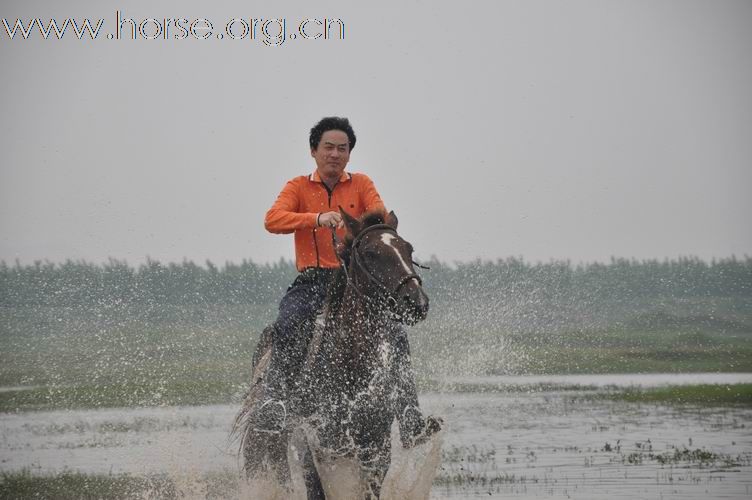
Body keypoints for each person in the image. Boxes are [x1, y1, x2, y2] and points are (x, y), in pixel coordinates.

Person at [258, 116, 439, 447]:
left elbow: (380, 215)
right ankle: (274, 403)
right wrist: (316, 218)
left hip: (356, 280)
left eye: (343, 148)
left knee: (396, 333)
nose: (335, 154)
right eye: (328, 147)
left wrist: (364, 226)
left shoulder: (362, 183)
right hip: (314, 279)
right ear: (314, 151)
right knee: (288, 322)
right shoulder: (297, 187)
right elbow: (272, 220)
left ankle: (411, 419)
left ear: (349, 154)